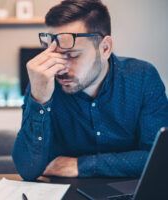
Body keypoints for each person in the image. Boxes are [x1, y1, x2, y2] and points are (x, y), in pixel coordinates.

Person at [12, 0, 168, 181]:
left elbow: (158, 158)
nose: (59, 68)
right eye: (53, 54)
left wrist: (81, 165)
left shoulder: (142, 77)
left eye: (71, 55)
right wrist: (39, 99)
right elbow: (28, 168)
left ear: (105, 48)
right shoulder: (43, 83)